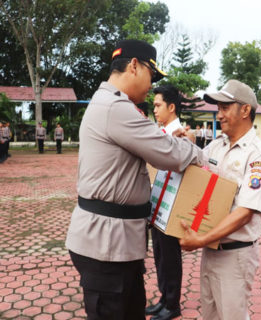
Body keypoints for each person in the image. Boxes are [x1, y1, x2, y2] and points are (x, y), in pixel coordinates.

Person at [65, 39, 204, 320]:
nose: (151, 85)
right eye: (151, 75)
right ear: (133, 66)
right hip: (106, 246)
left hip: (115, 242)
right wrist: (194, 148)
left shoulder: (109, 103)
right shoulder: (116, 108)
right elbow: (168, 154)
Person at [179, 79, 261, 320]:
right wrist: (187, 144)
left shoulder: (258, 155)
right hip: (211, 250)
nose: (219, 114)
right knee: (210, 315)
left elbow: (245, 212)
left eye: (225, 107)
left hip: (235, 255)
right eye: (218, 108)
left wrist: (200, 239)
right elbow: (197, 171)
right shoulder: (216, 146)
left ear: (245, 110)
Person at [147, 84, 183, 320]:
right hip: (158, 203)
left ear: (171, 107)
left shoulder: (180, 136)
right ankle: (163, 298)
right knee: (160, 254)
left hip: (172, 205)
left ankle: (172, 304)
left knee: (170, 256)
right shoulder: (162, 134)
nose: (155, 110)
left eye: (158, 105)